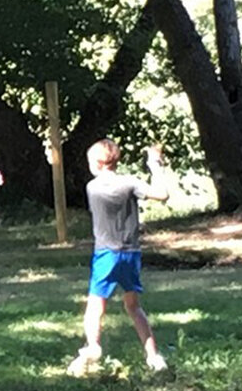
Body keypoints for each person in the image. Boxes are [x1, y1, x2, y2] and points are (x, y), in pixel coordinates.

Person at [67, 140, 171, 376]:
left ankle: (93, 346)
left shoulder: (92, 187)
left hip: (106, 253)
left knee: (95, 307)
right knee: (134, 307)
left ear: (95, 163)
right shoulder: (129, 183)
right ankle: (154, 357)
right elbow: (162, 194)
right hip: (131, 253)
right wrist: (155, 165)